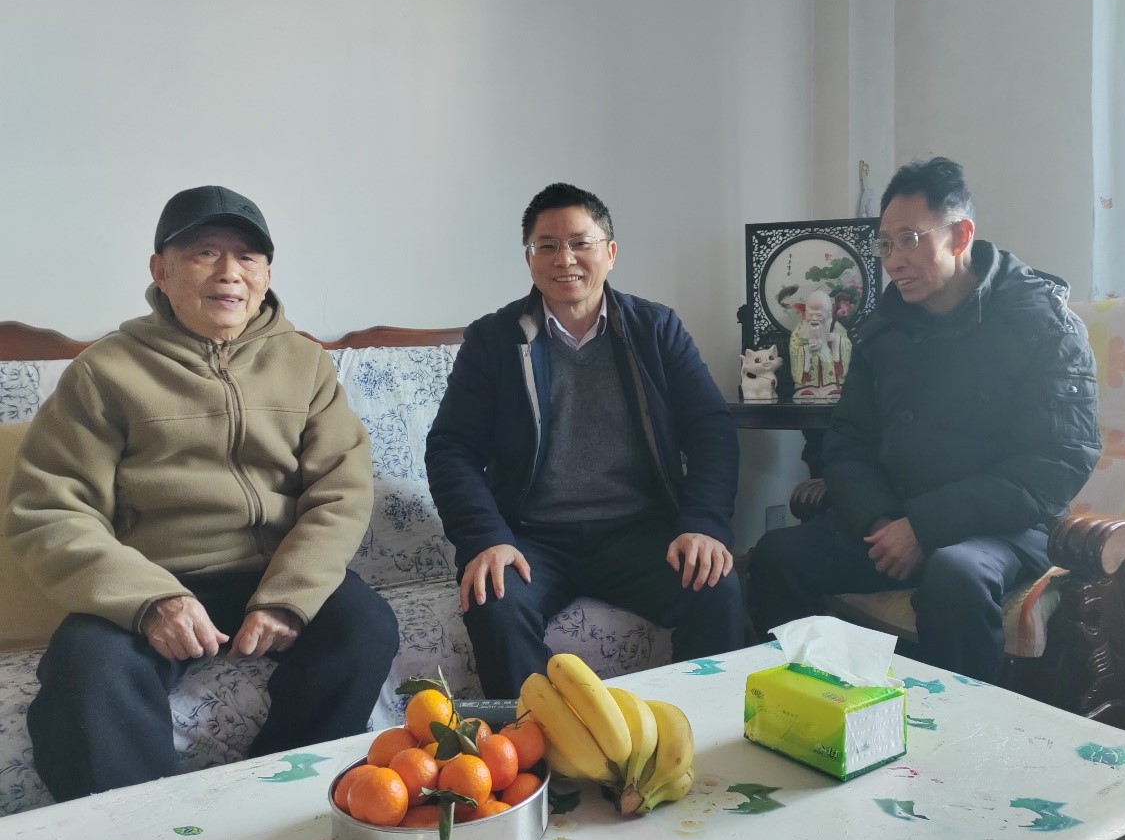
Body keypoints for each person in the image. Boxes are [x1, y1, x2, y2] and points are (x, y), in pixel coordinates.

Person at [5, 185, 398, 801]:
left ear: (266, 276)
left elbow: (341, 491)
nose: (229, 273)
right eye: (205, 252)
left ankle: (277, 801)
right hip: (154, 578)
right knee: (86, 670)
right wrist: (151, 600)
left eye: (247, 256)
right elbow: (49, 509)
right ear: (160, 271)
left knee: (364, 627)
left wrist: (289, 597)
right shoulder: (104, 371)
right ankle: (139, 833)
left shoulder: (306, 364)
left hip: (275, 570)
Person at [748, 158, 1100, 683]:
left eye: (910, 239)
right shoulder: (883, 329)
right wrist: (881, 522)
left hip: (1003, 527)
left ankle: (959, 728)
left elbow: (1059, 460)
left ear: (961, 235)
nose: (894, 261)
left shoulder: (1041, 323)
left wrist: (925, 527)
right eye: (886, 244)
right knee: (776, 556)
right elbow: (847, 441)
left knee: (954, 575)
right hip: (894, 516)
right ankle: (817, 703)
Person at [425, 182, 744, 699]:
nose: (564, 259)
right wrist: (486, 537)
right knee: (494, 601)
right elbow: (451, 449)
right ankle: (541, 742)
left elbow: (711, 430)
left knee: (716, 587)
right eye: (547, 246)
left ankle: (701, 728)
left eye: (580, 243)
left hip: (639, 533)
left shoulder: (656, 329)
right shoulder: (493, 339)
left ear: (610, 253)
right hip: (532, 539)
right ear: (529, 259)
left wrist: (704, 524)